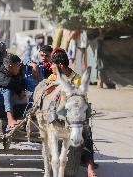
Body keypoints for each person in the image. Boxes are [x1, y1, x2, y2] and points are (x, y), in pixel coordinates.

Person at [45, 48, 97, 177]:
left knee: (87, 133)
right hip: (55, 115)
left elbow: (82, 100)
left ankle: (90, 167)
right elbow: (46, 96)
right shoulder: (52, 77)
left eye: (52, 64)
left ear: (61, 66)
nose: (51, 67)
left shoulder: (77, 79)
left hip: (75, 115)